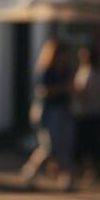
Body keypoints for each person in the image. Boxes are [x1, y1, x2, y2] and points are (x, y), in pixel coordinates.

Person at [22, 39, 76, 190]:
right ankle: (30, 172)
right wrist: (63, 88)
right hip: (48, 111)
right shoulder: (46, 70)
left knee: (65, 146)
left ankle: (65, 179)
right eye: (62, 54)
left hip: (65, 111)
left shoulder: (67, 69)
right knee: (49, 146)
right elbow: (42, 91)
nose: (64, 57)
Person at [72, 46, 100, 182]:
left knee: (89, 144)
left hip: (90, 113)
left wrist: (74, 90)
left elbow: (89, 93)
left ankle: (91, 171)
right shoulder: (82, 70)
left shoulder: (93, 73)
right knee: (83, 144)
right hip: (81, 112)